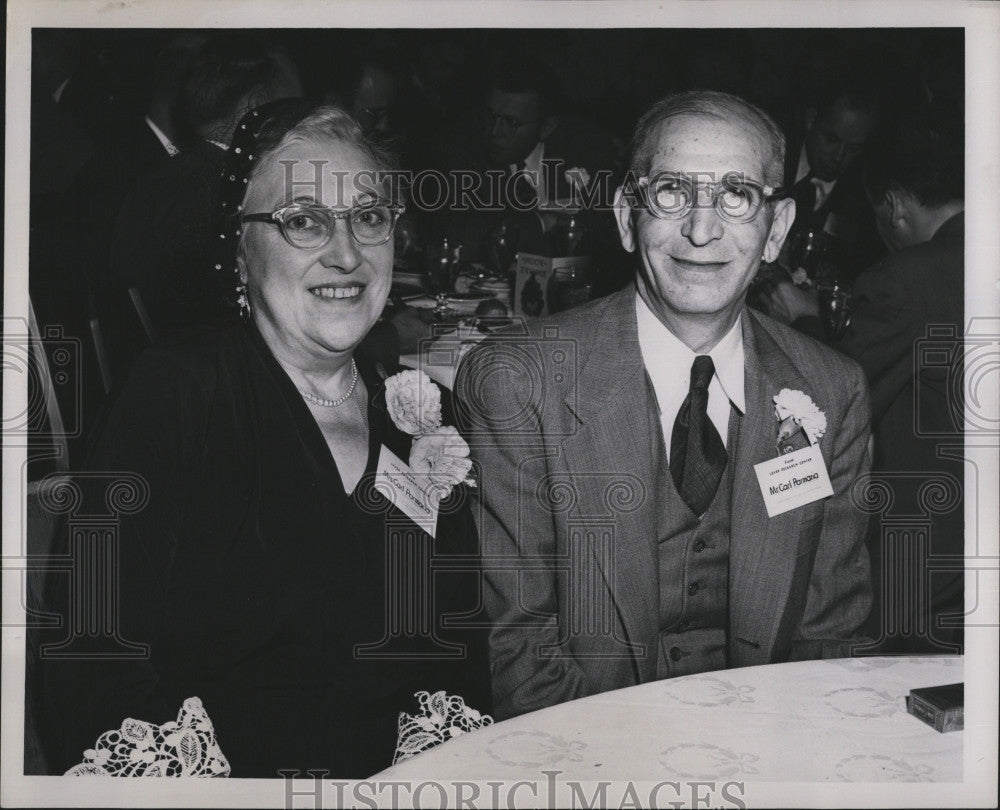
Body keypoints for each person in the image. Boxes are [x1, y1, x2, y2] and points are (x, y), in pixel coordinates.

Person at [37, 101, 491, 777]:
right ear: (239, 253)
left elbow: (457, 654)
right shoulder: (176, 397)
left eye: (369, 217)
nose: (346, 253)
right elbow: (93, 657)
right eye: (303, 220)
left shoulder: (422, 412)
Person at [457, 90, 873, 719]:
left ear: (777, 230)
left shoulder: (831, 391)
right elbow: (520, 653)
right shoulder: (520, 382)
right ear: (627, 218)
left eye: (738, 195)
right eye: (672, 192)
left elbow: (832, 639)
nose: (702, 230)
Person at [766, 116, 964, 652]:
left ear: (894, 205)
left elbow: (832, 404)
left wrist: (797, 321)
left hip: (931, 548)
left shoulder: (909, 277)